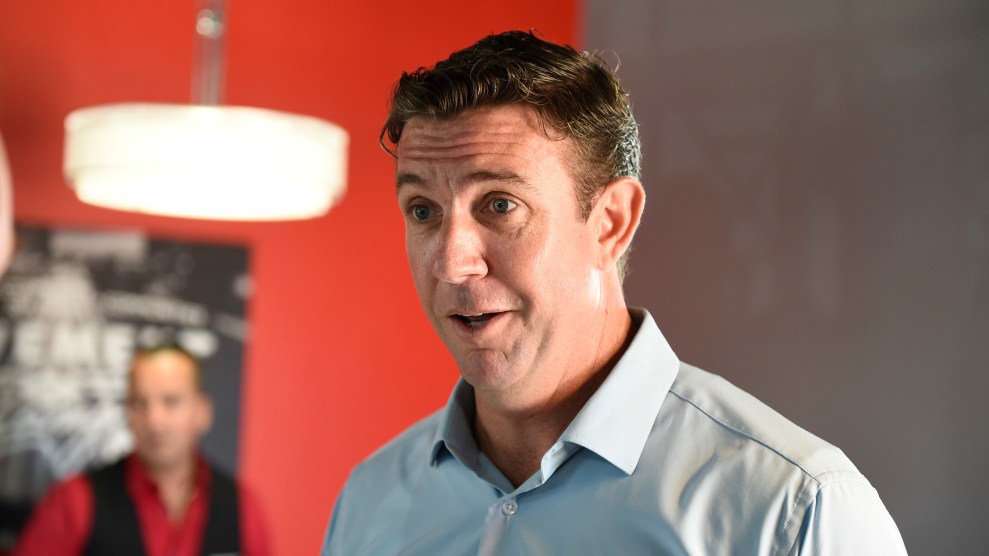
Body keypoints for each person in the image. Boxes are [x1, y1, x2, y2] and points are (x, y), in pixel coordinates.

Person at [322, 30, 907, 555]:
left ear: (611, 223)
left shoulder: (795, 512)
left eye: (500, 205)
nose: (452, 263)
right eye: (422, 210)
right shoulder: (369, 502)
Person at [13, 345, 270, 556]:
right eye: (140, 403)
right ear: (128, 414)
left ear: (202, 412)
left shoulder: (241, 507)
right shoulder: (75, 501)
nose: (155, 420)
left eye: (171, 401)